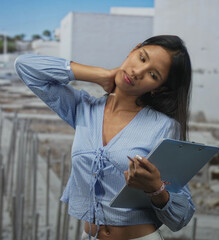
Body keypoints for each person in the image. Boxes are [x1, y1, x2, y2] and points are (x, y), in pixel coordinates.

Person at [14, 35, 195, 240]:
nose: (137, 72)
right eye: (142, 58)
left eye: (153, 75)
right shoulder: (83, 108)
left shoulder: (164, 127)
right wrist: (99, 74)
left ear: (159, 88)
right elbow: (25, 66)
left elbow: (182, 216)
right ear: (134, 49)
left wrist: (156, 189)